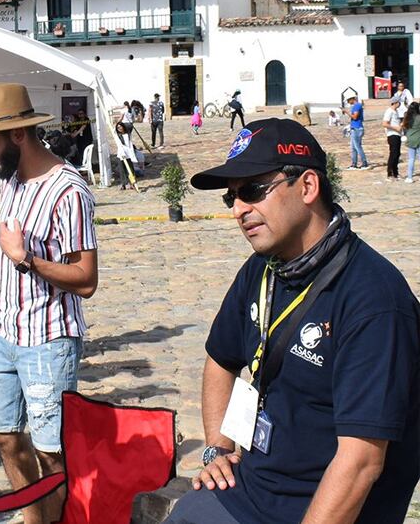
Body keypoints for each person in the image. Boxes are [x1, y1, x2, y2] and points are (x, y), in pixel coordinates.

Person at [166, 118, 420, 524]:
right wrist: (217, 449)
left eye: (252, 190)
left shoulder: (373, 300)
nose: (238, 209)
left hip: (319, 508)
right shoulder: (263, 269)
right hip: (248, 488)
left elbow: (361, 462)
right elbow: (220, 358)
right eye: (230, 198)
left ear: (307, 187)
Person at [0, 83, 98, 524]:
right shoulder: (10, 181)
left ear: (18, 134)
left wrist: (26, 260)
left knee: (52, 450)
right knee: (1, 435)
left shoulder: (67, 190)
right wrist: (3, 281)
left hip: (48, 340)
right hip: (4, 331)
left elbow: (86, 279)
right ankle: (36, 515)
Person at [344, 95, 368, 170]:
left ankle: (364, 163)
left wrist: (346, 112)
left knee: (358, 147)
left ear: (352, 99)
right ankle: (354, 164)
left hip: (357, 129)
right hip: (354, 128)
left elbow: (355, 117)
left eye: (348, 100)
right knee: (353, 148)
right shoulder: (355, 106)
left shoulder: (357, 105)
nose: (348, 102)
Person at [383, 98, 403, 180]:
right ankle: (390, 173)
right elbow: (385, 123)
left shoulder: (396, 111)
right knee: (393, 154)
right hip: (392, 134)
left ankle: (395, 172)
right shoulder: (389, 111)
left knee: (397, 154)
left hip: (397, 135)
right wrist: (396, 128)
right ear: (395, 103)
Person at [403, 102, 420, 184]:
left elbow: (405, 128)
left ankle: (409, 177)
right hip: (418, 139)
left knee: (411, 159)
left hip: (410, 139)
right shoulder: (418, 118)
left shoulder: (407, 117)